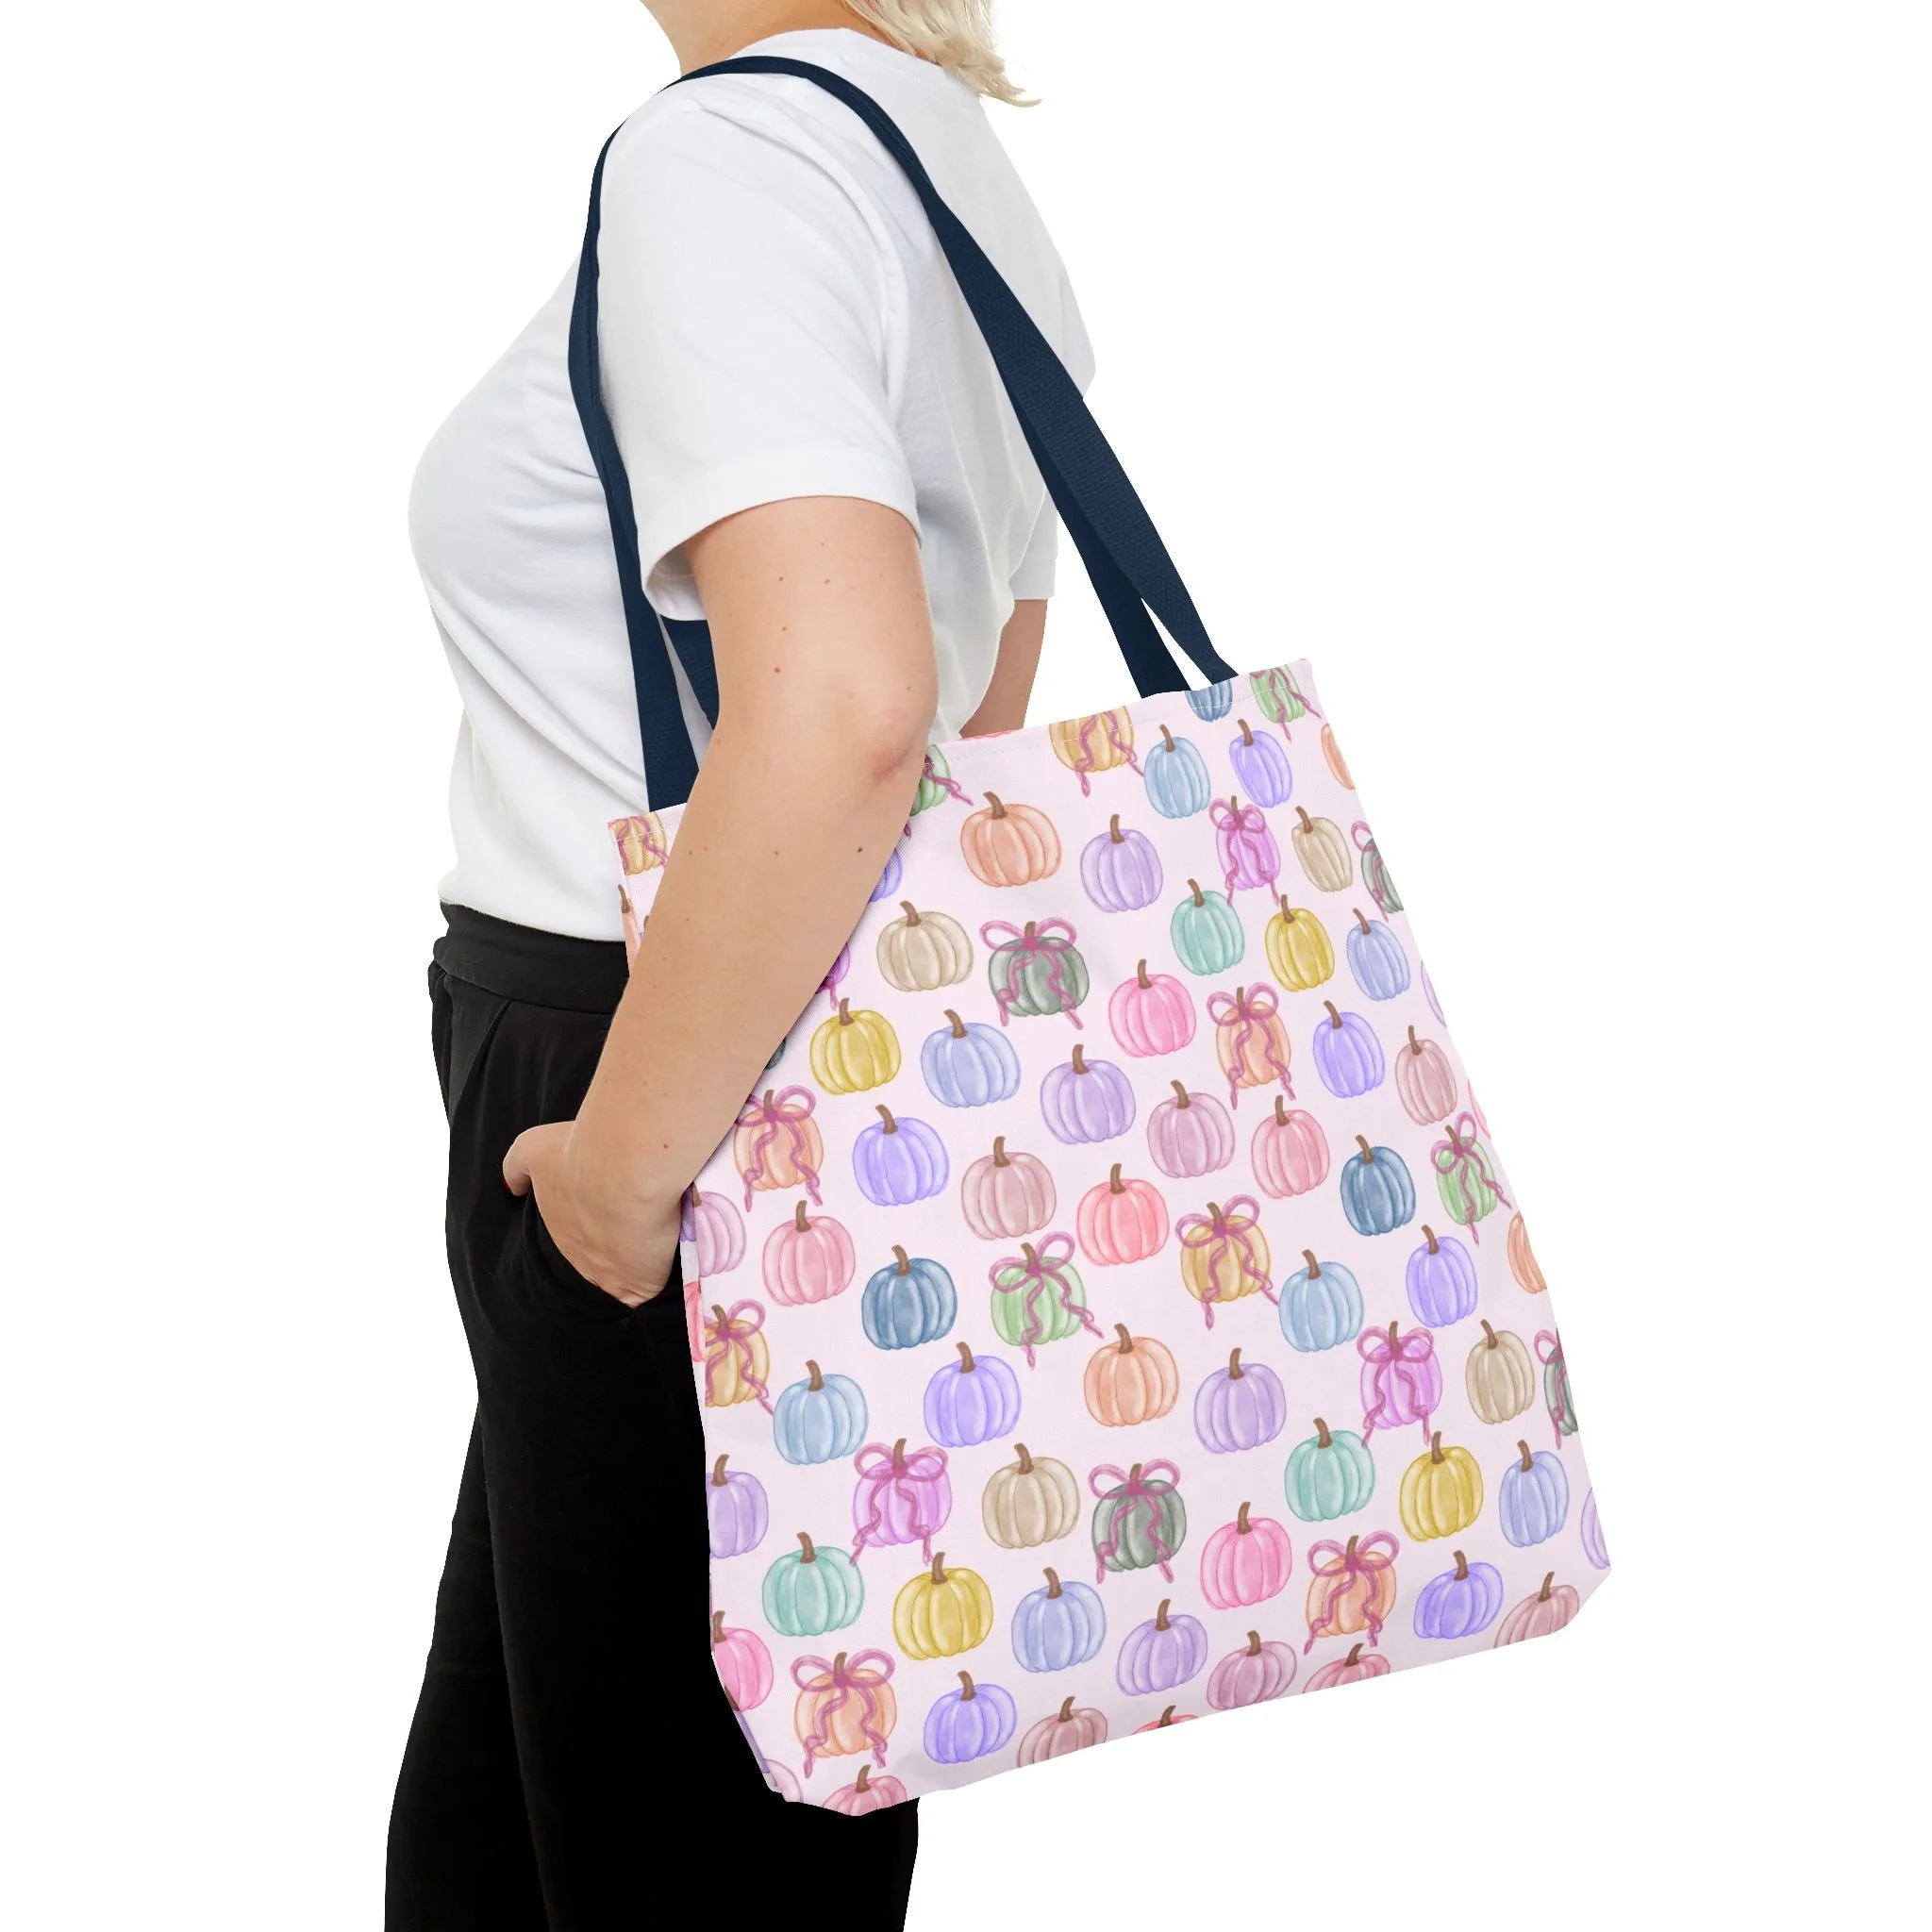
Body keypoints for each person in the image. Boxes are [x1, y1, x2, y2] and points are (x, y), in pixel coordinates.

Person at [388, 4, 1091, 1925]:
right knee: (538, 1835)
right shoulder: (938, 152)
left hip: (651, 1086)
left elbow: (857, 707)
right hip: (780, 1050)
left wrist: (620, 1186)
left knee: (664, 1859)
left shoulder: (730, 161)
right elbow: (978, 714)